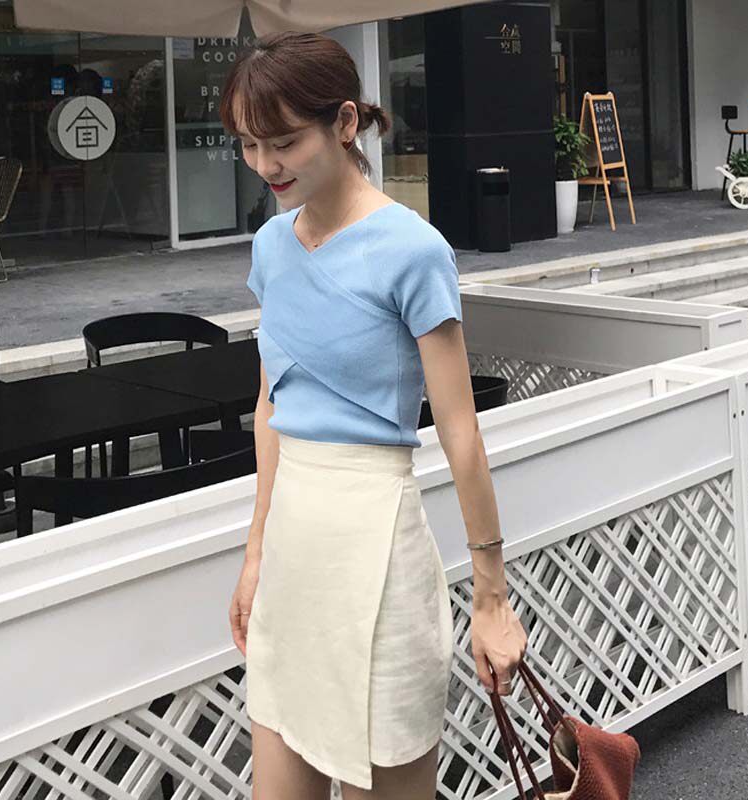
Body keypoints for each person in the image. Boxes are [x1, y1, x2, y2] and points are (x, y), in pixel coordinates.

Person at [222, 31, 527, 800]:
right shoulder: (270, 247)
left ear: (346, 122)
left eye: (284, 142)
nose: (266, 165)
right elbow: (270, 407)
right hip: (292, 553)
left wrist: (491, 595)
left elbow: (460, 431)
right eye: (251, 145)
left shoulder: (413, 250)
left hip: (378, 551)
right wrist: (255, 553)